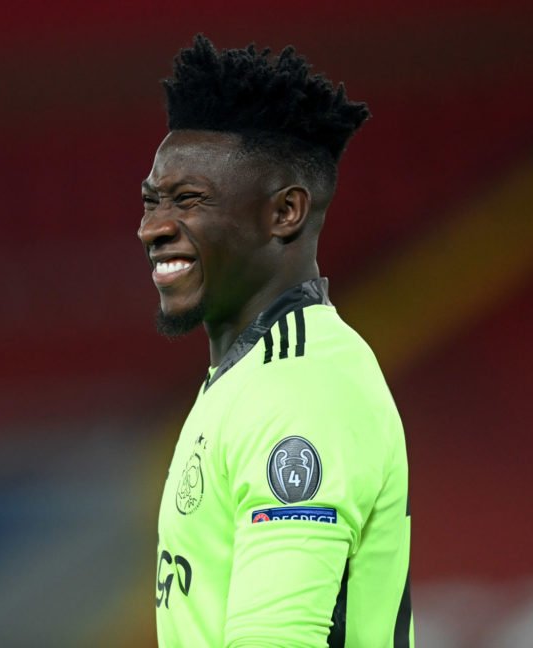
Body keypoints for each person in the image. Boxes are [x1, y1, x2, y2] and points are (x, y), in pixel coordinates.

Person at [140, 35, 412, 647]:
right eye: (151, 201)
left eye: (187, 200)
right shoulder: (250, 376)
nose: (152, 228)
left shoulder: (300, 390)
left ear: (285, 212)